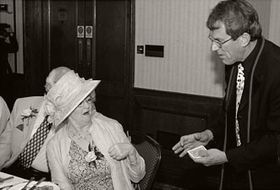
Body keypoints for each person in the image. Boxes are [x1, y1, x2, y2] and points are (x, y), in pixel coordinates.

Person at [172, 0, 280, 190]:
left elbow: (275, 139)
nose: (214, 49)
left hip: (267, 175)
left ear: (244, 39)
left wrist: (226, 157)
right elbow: (230, 111)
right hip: (235, 170)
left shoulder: (276, 68)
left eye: (219, 41)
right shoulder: (233, 60)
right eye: (212, 40)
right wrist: (209, 134)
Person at [46, 70, 145, 190]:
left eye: (88, 100)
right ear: (67, 112)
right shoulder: (55, 145)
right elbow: (61, 185)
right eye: (79, 103)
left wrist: (131, 152)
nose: (87, 106)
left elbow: (137, 176)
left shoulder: (112, 128)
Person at [0, 66, 71, 180]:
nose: (47, 88)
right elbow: (5, 144)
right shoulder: (22, 104)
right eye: (48, 84)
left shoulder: (73, 116)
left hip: (48, 178)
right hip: (15, 171)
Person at [0, 23, 18, 103]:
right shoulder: (2, 44)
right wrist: (11, 35)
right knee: (6, 92)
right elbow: (14, 48)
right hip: (2, 70)